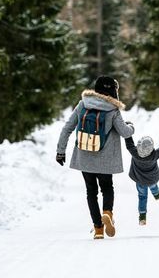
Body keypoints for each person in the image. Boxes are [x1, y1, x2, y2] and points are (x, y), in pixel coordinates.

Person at [56, 76, 134, 240]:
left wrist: (60, 151)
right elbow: (125, 132)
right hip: (105, 160)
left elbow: (67, 128)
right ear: (113, 91)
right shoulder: (113, 109)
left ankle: (98, 229)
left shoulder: (83, 103)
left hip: (85, 157)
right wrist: (131, 126)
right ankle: (107, 212)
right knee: (107, 188)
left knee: (91, 191)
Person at [124, 134, 159, 225]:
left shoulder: (135, 153)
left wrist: (127, 131)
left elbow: (129, 144)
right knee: (154, 187)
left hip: (140, 181)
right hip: (152, 179)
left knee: (142, 197)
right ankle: (156, 195)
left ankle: (142, 217)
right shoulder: (155, 155)